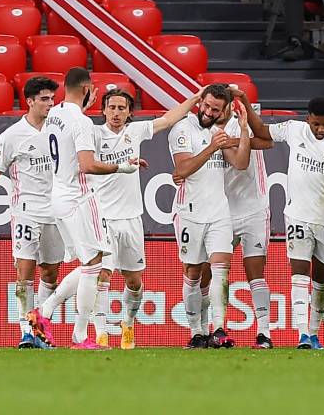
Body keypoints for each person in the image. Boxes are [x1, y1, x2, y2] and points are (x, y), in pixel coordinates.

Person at [27, 67, 140, 350]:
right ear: (88, 88)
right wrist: (122, 167)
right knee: (94, 265)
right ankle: (74, 332)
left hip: (59, 197)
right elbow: (88, 165)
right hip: (78, 196)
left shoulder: (55, 113)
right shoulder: (81, 122)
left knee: (93, 262)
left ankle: (48, 312)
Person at [88, 88, 202, 349]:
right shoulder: (92, 135)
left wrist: (194, 99)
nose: (116, 113)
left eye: (121, 108)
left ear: (129, 112)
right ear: (103, 110)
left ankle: (127, 323)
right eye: (112, 107)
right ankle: (101, 333)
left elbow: (168, 119)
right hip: (103, 217)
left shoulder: (135, 132)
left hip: (131, 218)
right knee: (101, 276)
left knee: (134, 282)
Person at [246, 96, 324, 349]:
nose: (320, 130)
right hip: (297, 215)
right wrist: (244, 100)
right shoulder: (293, 129)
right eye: (316, 124)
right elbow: (261, 130)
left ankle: (314, 331)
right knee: (299, 274)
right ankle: (302, 335)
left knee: (321, 279)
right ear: (307, 118)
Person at [0, 77, 61, 350]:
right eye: (44, 99)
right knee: (25, 272)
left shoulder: (60, 130)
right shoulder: (11, 135)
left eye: (52, 99)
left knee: (51, 273)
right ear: (30, 101)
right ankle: (27, 332)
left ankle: (41, 326)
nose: (50, 104)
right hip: (26, 210)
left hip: (57, 210)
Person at [169, 84, 251, 349]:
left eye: (215, 109)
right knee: (193, 274)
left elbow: (240, 163)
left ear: (223, 111)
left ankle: (218, 329)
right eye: (206, 106)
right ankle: (196, 332)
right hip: (189, 213)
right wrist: (211, 148)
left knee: (221, 269)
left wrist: (245, 128)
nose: (208, 112)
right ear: (199, 103)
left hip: (219, 212)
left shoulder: (219, 132)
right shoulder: (182, 129)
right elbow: (183, 168)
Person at [214, 88, 275, 349]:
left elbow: (268, 140)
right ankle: (215, 328)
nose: (218, 109)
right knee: (216, 272)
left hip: (254, 209)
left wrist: (246, 107)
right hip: (220, 211)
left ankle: (264, 333)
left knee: (255, 272)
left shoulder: (244, 121)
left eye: (224, 104)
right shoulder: (204, 128)